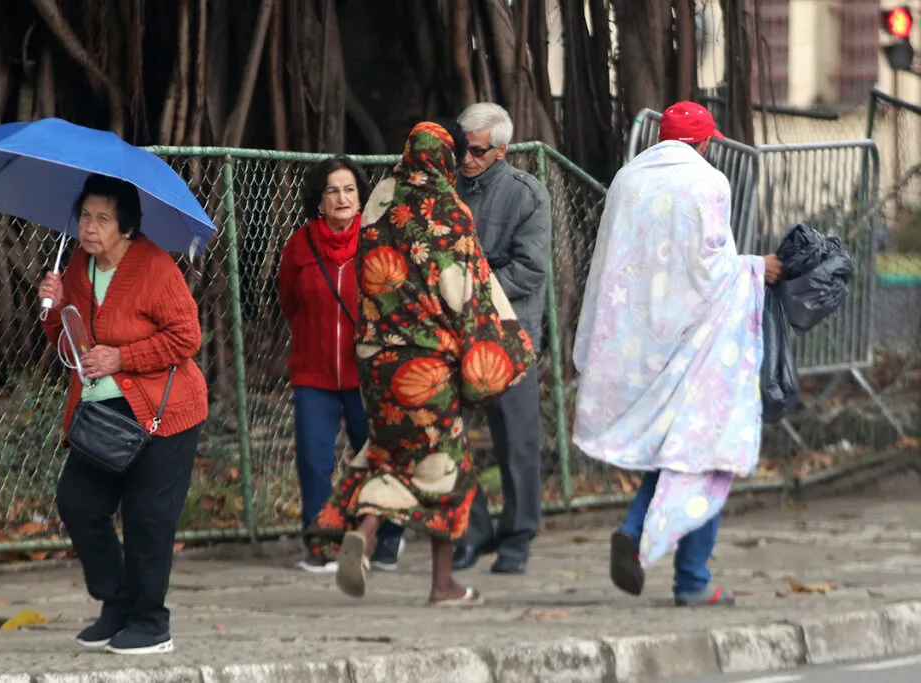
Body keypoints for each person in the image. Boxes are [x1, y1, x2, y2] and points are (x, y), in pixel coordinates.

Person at [305, 120, 536, 605]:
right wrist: (494, 345)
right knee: (443, 469)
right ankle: (443, 584)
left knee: (392, 451)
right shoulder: (448, 212)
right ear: (446, 159)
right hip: (426, 362)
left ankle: (363, 534)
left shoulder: (379, 200)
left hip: (374, 359)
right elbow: (465, 290)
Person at [571, 101, 783, 607]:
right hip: (697, 343)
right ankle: (691, 577)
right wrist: (760, 268)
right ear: (706, 142)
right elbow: (712, 268)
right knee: (705, 453)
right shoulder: (709, 182)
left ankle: (636, 533)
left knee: (673, 449)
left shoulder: (627, 178)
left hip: (639, 345)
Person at [38, 173, 207, 653]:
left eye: (103, 219)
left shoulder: (154, 267)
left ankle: (152, 622)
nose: (89, 227)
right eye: (86, 216)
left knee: (147, 517)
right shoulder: (78, 264)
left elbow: (186, 338)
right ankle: (117, 603)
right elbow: (67, 341)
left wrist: (121, 357)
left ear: (127, 226)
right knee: (79, 502)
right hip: (103, 410)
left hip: (164, 412)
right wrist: (53, 305)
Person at [278, 156, 405, 573]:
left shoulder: (376, 241)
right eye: (332, 189)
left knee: (373, 457)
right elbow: (289, 301)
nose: (342, 197)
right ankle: (322, 545)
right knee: (315, 460)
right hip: (313, 375)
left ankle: (385, 538)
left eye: (349, 189)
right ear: (319, 198)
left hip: (365, 376)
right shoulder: (300, 245)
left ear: (361, 196)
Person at [452, 102, 551, 574]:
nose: (465, 158)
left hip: (509, 336)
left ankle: (517, 538)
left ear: (501, 151)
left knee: (517, 444)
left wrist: (470, 285)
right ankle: (471, 533)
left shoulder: (526, 194)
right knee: (450, 437)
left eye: (475, 150)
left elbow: (531, 271)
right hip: (454, 333)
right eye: (461, 147)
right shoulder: (445, 191)